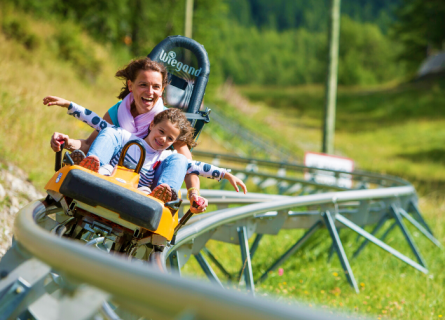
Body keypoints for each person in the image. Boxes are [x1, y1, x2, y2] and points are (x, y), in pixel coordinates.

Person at [48, 57, 207, 211]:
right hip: (110, 170)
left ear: (162, 90)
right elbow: (91, 144)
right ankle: (91, 173)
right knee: (110, 132)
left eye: (156, 87)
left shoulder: (168, 123)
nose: (150, 92)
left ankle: (161, 196)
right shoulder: (118, 111)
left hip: (147, 183)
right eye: (143, 85)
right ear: (131, 86)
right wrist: (68, 142)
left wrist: (194, 194)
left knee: (178, 158)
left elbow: (187, 165)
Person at [44, 97, 247, 202]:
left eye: (170, 138)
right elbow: (94, 120)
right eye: (161, 131)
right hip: (107, 173)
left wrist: (225, 174)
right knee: (110, 131)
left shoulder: (165, 155)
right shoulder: (126, 137)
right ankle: (92, 164)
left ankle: (163, 193)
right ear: (151, 126)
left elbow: (196, 166)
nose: (163, 139)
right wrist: (69, 105)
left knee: (181, 161)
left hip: (141, 190)